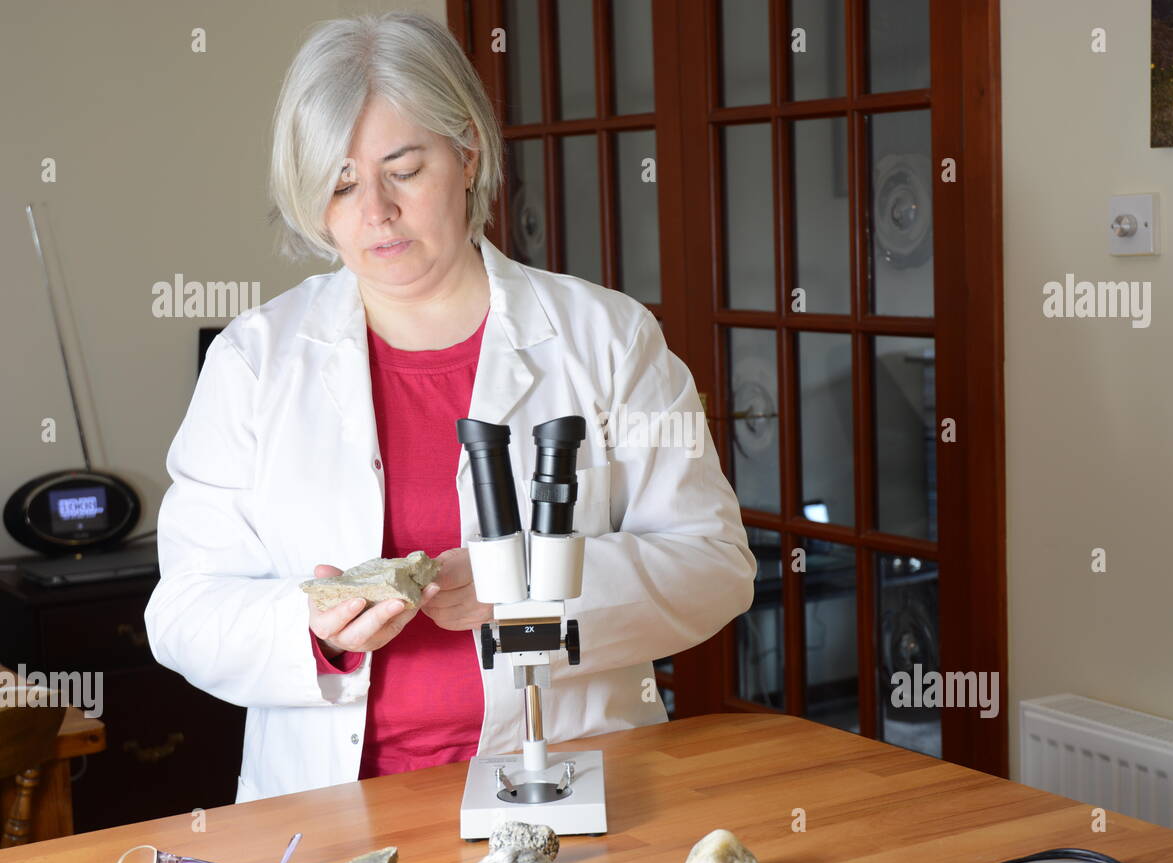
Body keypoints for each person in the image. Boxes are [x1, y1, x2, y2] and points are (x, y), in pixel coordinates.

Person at [143, 10, 756, 804]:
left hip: (569, 783)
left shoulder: (606, 336)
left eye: (403, 169)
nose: (376, 212)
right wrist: (313, 630)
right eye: (339, 183)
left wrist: (531, 582)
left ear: (466, 151)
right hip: (334, 804)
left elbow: (713, 566)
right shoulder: (254, 362)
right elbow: (185, 612)